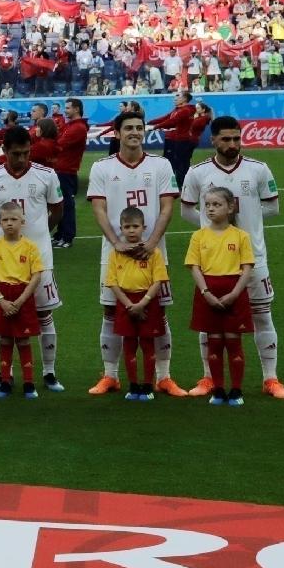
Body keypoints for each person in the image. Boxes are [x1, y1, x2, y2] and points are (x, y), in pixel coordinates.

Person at [179, 116, 284, 399]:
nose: (232, 144)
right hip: (213, 262)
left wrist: (243, 220)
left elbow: (273, 207)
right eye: (226, 139)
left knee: (263, 316)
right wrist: (214, 229)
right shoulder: (198, 173)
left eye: (236, 138)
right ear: (212, 140)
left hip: (254, 259)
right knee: (210, 322)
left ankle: (271, 379)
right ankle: (208, 379)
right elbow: (186, 210)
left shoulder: (258, 169)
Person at [87, 107, 180, 396]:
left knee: (159, 311)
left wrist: (152, 242)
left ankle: (163, 377)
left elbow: (167, 207)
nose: (135, 133)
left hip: (153, 250)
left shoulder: (161, 165)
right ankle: (110, 375)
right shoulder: (102, 167)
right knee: (111, 310)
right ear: (117, 133)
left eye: (140, 128)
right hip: (114, 251)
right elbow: (98, 208)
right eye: (129, 128)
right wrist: (116, 242)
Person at [0, 126, 66, 390]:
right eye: (16, 154)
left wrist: (39, 234)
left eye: (26, 153)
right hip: (4, 259)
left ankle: (49, 373)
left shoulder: (46, 175)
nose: (21, 158)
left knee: (44, 313)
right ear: (4, 151)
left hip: (39, 256)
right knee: (4, 316)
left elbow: (57, 209)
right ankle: (6, 375)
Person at [186, 186, 257, 406]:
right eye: (207, 205)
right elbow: (194, 267)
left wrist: (235, 293)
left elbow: (247, 267)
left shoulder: (241, 236)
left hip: (233, 291)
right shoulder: (198, 236)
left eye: (216, 204)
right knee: (214, 342)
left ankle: (236, 390)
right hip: (209, 291)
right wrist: (205, 292)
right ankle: (218, 389)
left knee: (234, 342)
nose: (210, 209)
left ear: (230, 207)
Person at [0, 200, 45, 399]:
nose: (9, 223)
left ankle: (29, 383)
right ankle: (5, 382)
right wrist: (1, 299)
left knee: (24, 340)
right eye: (5, 220)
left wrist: (19, 301)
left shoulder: (30, 247)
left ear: (22, 222)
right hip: (1, 294)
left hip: (22, 294)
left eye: (14, 219)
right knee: (5, 339)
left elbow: (36, 275)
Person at [106, 206, 168, 402]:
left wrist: (143, 303)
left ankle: (148, 385)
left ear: (143, 227)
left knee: (148, 344)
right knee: (130, 344)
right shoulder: (116, 254)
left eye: (135, 226)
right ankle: (133, 385)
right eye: (127, 227)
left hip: (147, 301)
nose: (131, 230)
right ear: (121, 229)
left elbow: (158, 280)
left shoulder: (153, 253)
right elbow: (112, 282)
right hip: (125, 302)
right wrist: (129, 305)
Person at [149, 93, 212, 187]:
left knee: (180, 163)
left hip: (183, 140)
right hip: (179, 139)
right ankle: (181, 183)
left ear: (185, 99)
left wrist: (155, 126)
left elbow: (172, 122)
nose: (174, 99)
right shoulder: (178, 110)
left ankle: (181, 184)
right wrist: (150, 122)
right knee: (179, 162)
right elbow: (167, 117)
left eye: (177, 97)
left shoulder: (185, 110)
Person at [50, 99, 88, 247]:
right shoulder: (71, 125)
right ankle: (60, 234)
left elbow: (59, 144)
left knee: (66, 205)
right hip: (61, 169)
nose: (65, 110)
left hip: (66, 170)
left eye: (67, 108)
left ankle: (67, 237)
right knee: (60, 205)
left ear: (77, 109)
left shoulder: (78, 127)